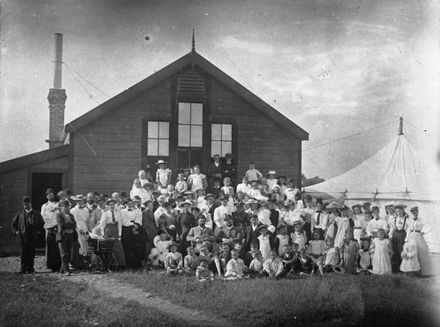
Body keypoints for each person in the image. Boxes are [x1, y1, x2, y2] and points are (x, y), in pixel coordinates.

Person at [11, 196, 44, 274]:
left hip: (32, 237)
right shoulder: (19, 214)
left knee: (31, 253)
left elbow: (42, 224)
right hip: (23, 237)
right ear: (23, 205)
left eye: (28, 204)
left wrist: (39, 232)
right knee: (23, 253)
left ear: (31, 204)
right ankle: (23, 269)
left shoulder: (36, 213)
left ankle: (30, 269)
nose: (27, 206)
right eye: (25, 204)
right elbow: (13, 225)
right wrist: (16, 231)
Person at [406, 206, 434, 276]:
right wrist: (406, 238)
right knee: (412, 252)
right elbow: (409, 229)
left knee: (422, 251)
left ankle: (424, 271)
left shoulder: (422, 219)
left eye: (415, 211)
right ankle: (414, 271)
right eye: (412, 212)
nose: (414, 213)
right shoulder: (410, 219)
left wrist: (424, 232)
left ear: (417, 212)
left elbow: (431, 226)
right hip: (412, 236)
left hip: (418, 236)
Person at [99, 199, 126, 269]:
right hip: (109, 230)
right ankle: (112, 265)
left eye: (113, 204)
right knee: (111, 247)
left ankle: (120, 265)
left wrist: (120, 234)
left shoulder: (118, 213)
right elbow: (102, 224)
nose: (112, 206)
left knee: (119, 247)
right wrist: (103, 233)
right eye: (110, 204)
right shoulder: (105, 214)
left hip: (116, 231)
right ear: (108, 206)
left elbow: (119, 224)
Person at [41, 188, 61, 272]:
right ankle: (50, 264)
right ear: (46, 196)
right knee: (49, 246)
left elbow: (60, 215)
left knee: (57, 245)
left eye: (52, 195)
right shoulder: (44, 206)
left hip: (57, 227)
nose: (51, 196)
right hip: (49, 227)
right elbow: (43, 216)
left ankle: (58, 264)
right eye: (49, 195)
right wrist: (50, 222)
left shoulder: (58, 204)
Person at [56, 200, 77, 275]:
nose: (66, 208)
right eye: (64, 206)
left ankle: (62, 269)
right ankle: (66, 270)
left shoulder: (71, 215)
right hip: (62, 236)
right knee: (64, 253)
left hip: (70, 235)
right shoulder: (59, 215)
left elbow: (75, 225)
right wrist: (70, 223)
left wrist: (70, 224)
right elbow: (61, 225)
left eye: (67, 207)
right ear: (61, 207)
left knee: (68, 253)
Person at [388, 204, 409, 273]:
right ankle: (396, 266)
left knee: (402, 250)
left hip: (402, 234)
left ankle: (403, 266)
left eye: (400, 211)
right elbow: (392, 228)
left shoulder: (406, 219)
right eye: (397, 211)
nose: (398, 213)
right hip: (395, 235)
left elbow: (408, 230)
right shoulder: (394, 219)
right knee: (395, 249)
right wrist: (390, 236)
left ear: (403, 211)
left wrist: (407, 238)